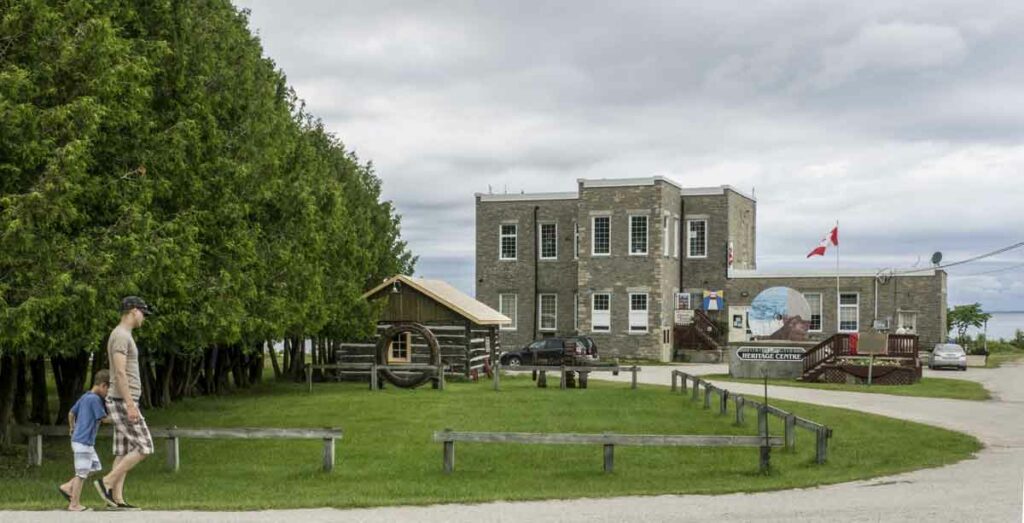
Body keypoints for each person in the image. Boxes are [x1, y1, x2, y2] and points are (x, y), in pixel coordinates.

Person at [94, 296, 153, 510]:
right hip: (122, 399)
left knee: (123, 450)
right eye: (143, 313)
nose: (143, 318)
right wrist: (130, 404)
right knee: (145, 447)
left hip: (124, 398)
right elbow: (119, 372)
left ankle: (116, 500)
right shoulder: (120, 335)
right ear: (133, 310)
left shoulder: (124, 335)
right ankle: (106, 482)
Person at [58, 370, 111, 512]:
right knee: (81, 473)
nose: (108, 394)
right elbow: (103, 419)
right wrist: (120, 418)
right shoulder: (94, 399)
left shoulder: (85, 397)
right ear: (103, 385)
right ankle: (74, 504)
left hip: (82, 441)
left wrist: (72, 428)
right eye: (108, 390)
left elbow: (71, 413)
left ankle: (68, 486)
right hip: (83, 441)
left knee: (94, 467)